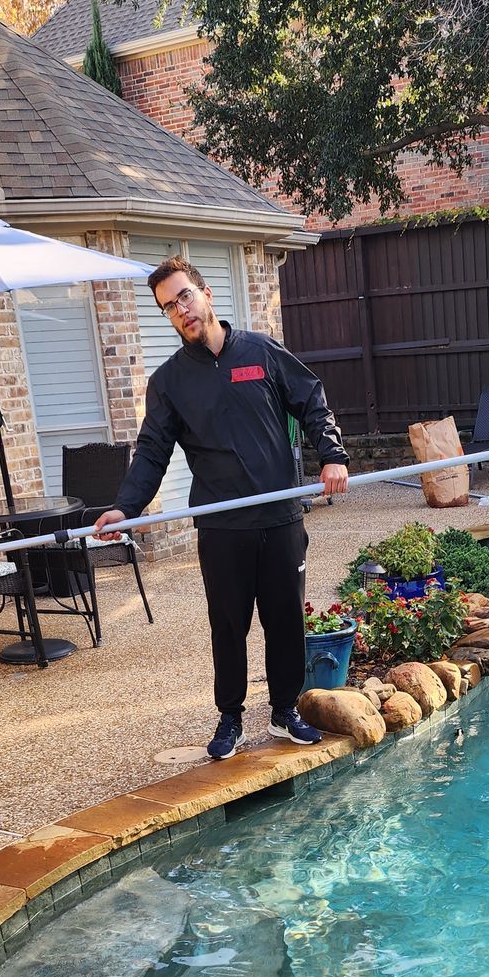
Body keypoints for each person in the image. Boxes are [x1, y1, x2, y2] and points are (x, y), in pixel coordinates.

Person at [94, 256, 350, 758]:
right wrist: (126, 507)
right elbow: (151, 451)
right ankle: (229, 718)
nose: (181, 310)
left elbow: (312, 399)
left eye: (185, 295)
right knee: (228, 624)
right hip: (222, 526)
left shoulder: (260, 351)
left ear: (206, 293)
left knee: (284, 619)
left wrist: (333, 456)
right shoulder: (169, 382)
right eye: (169, 306)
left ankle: (283, 712)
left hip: (279, 517)